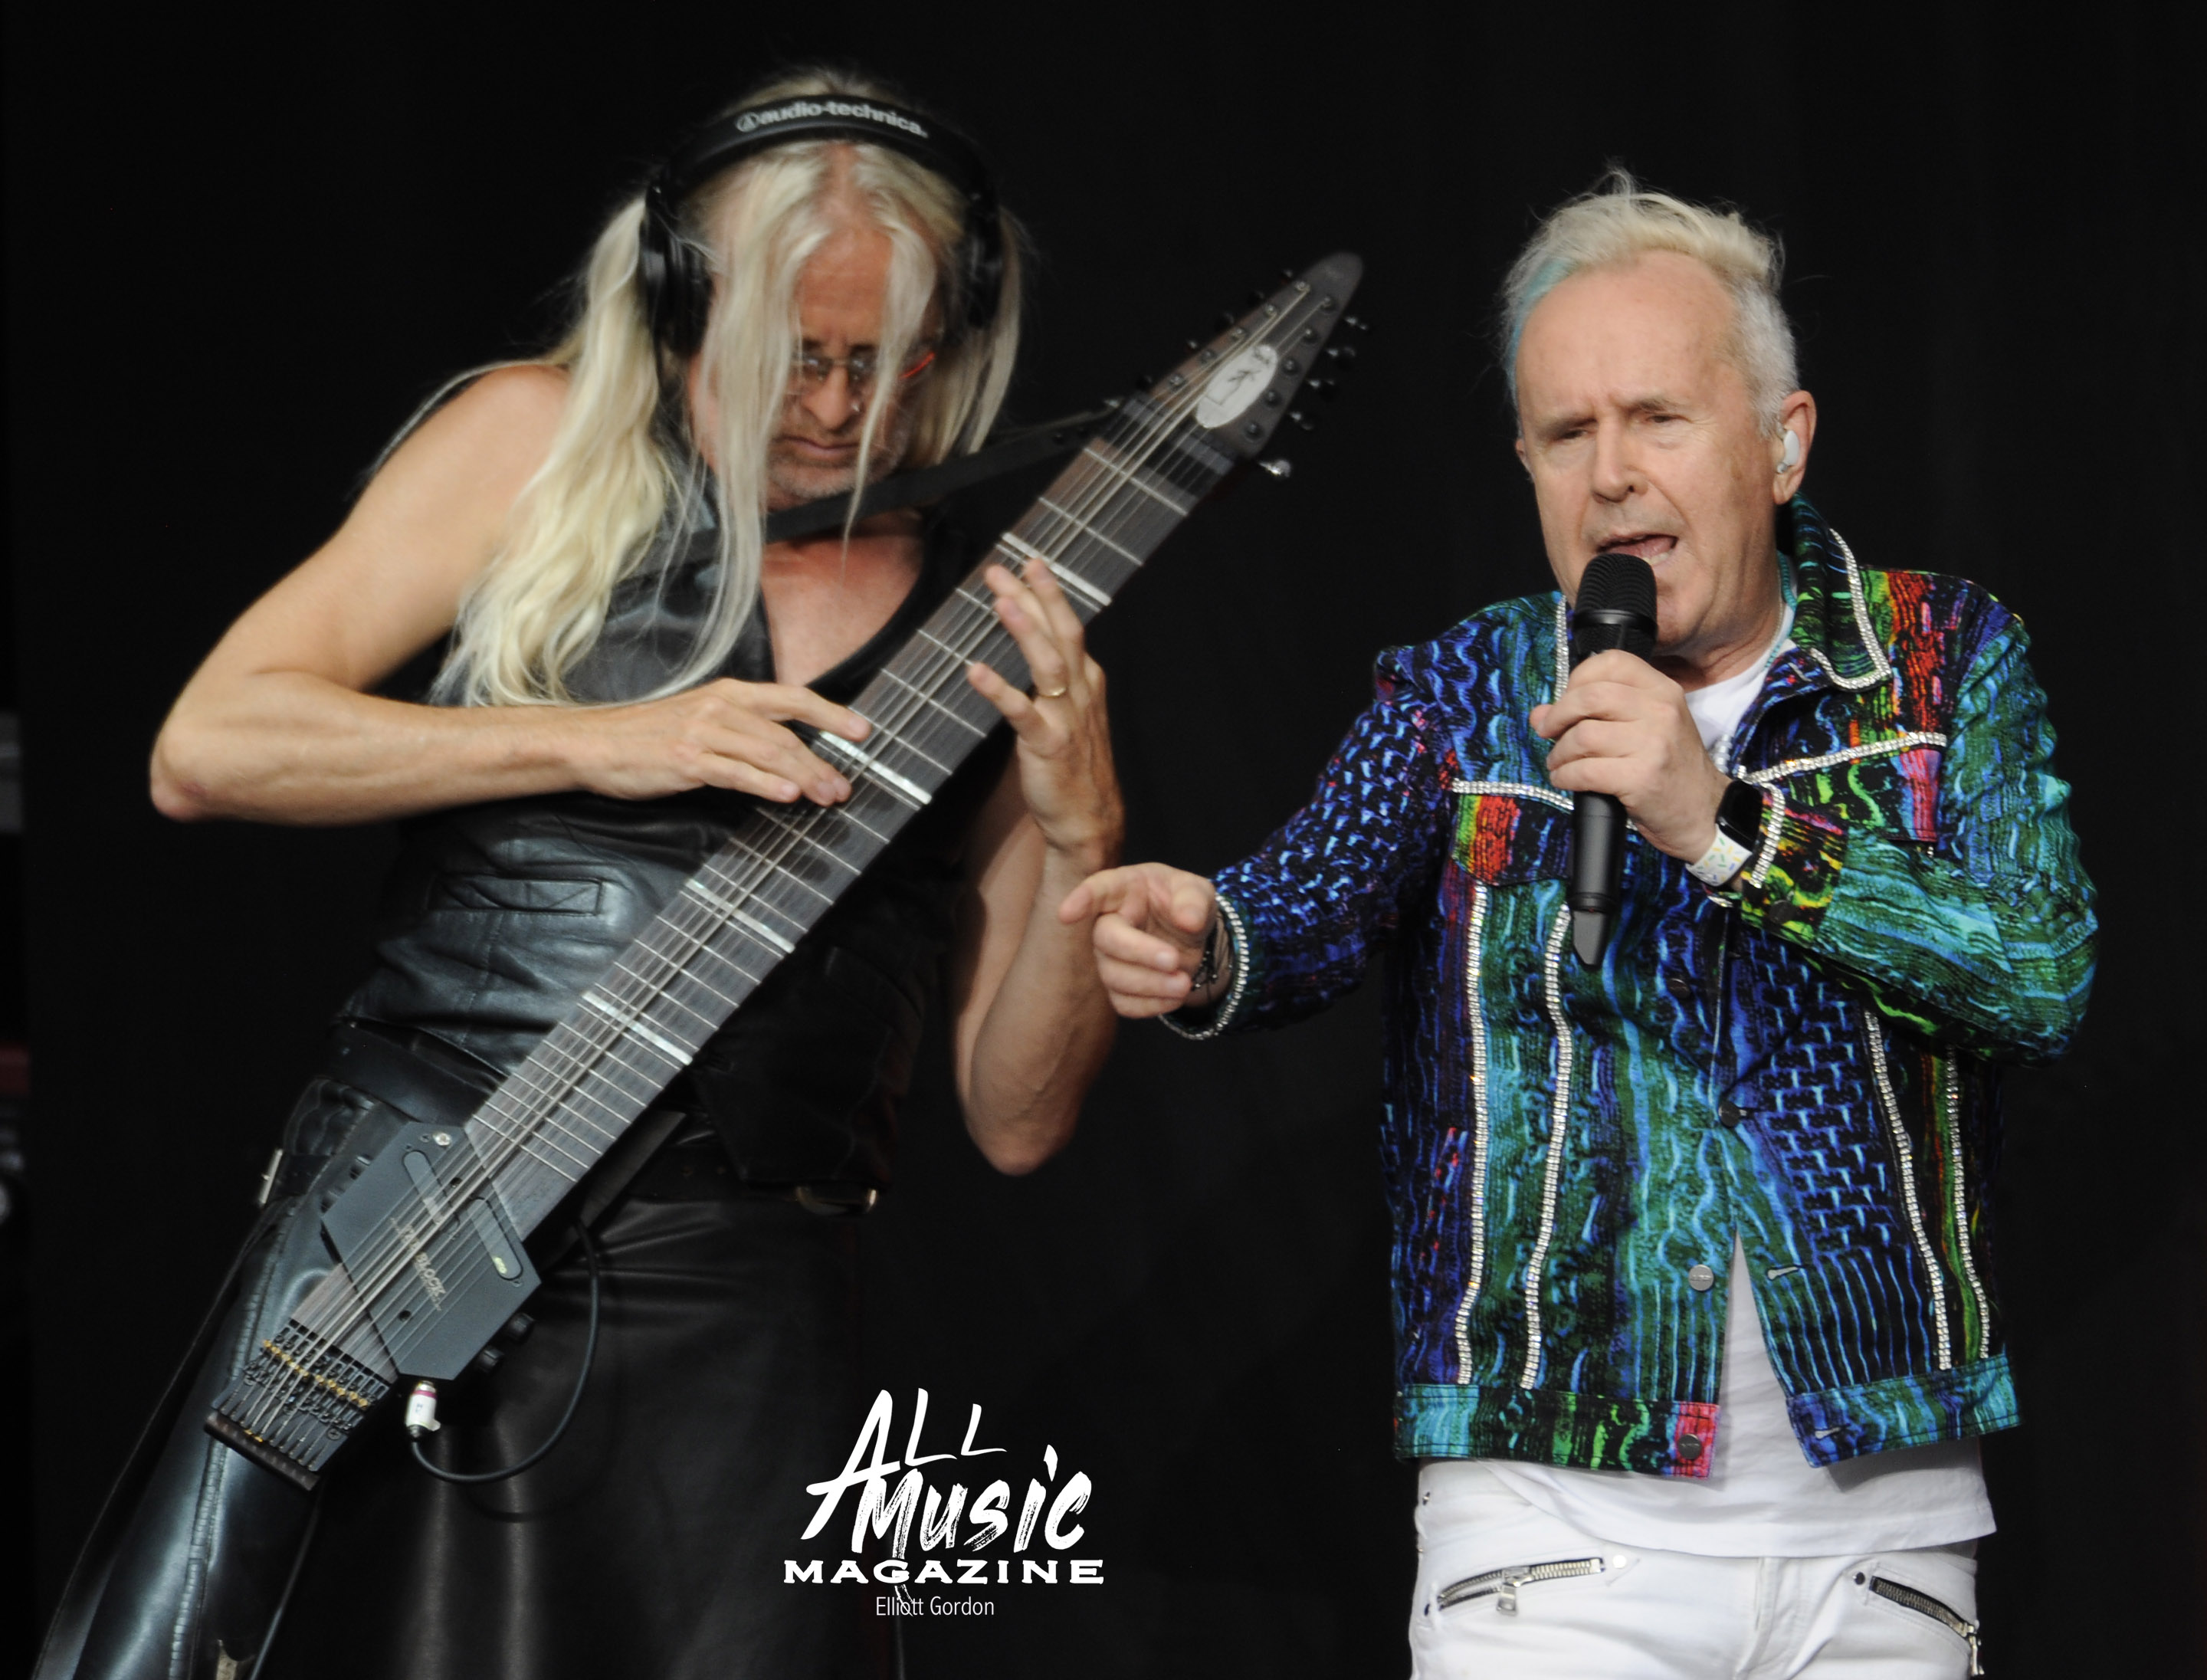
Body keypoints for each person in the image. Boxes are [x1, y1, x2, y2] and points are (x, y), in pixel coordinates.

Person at [43, 69, 1122, 1680]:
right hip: (424, 1220)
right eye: (798, 355)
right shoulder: (533, 445)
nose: (840, 407)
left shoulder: (997, 622)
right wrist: (600, 739)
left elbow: (1019, 1117)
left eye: (885, 362)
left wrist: (1086, 835)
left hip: (749, 1308)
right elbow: (211, 745)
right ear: (686, 304)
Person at [1069, 173, 2096, 1678]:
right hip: (1554, 1539)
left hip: (1882, 1549)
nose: (1611, 475)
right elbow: (1297, 908)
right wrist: (1205, 935)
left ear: (1782, 442)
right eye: (1567, 433)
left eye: (1659, 419)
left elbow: (2037, 973)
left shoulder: (1942, 659)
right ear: (1527, 463)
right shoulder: (1466, 689)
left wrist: (1727, 825)